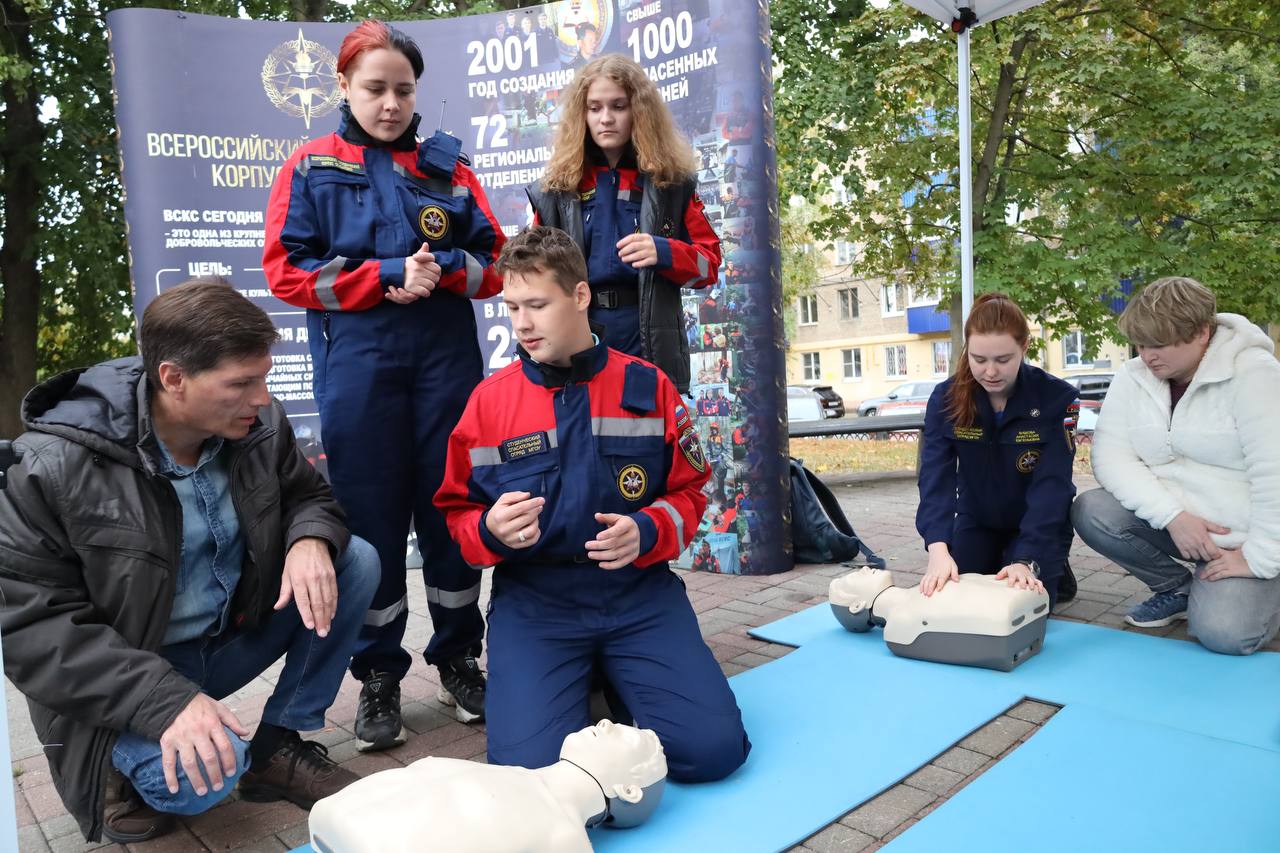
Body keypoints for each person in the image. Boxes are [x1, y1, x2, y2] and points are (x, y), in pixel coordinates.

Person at [0, 280, 379, 843]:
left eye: (265, 378)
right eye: (242, 383)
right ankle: (115, 767)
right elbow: (32, 629)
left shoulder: (258, 425)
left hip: (222, 641)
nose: (262, 397)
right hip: (125, 672)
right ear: (173, 378)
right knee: (202, 783)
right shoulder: (49, 468)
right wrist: (165, 700)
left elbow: (310, 499)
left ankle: (278, 746)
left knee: (356, 562)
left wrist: (309, 541)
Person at [263, 20, 506, 748]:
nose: (391, 103)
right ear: (343, 86)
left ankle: (461, 655)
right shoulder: (310, 165)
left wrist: (443, 273)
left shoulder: (449, 168)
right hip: (359, 370)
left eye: (403, 89)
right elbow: (285, 270)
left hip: (446, 367)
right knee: (369, 525)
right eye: (375, 88)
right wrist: (383, 277)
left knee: (453, 511)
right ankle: (378, 676)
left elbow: (494, 261)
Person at [435, 226, 750, 782]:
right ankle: (596, 685)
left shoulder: (649, 387)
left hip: (638, 598)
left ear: (580, 297)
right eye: (512, 307)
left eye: (537, 304)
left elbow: (691, 491)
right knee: (530, 776)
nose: (522, 324)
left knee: (712, 753)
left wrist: (648, 530)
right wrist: (488, 529)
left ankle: (612, 682)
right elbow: (454, 511)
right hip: (538, 606)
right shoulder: (489, 404)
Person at [1072, 277, 1280, 654]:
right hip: (1181, 525)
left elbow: (1275, 474)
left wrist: (1260, 558)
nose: (1147, 355)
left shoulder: (1255, 373)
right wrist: (1172, 516)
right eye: (1140, 343)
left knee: (1224, 634)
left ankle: (1261, 586)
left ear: (1202, 332)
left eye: (1160, 344)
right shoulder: (1133, 376)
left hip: (1246, 537)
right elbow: (1110, 457)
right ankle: (1179, 589)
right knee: (1092, 510)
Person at [527, 53, 721, 395]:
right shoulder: (555, 191)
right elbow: (532, 275)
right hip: (577, 338)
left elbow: (709, 267)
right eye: (595, 107)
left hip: (646, 339)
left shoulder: (672, 185)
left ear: (639, 111)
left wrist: (664, 251)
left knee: (643, 441)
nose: (606, 118)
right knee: (583, 442)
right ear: (581, 114)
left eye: (618, 106)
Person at [916, 293, 1079, 608]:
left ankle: (1050, 562)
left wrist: (1028, 558)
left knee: (1020, 606)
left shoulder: (1059, 400)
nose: (990, 371)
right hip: (977, 519)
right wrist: (937, 549)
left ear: (1024, 348)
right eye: (979, 359)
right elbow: (935, 477)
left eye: (1003, 360)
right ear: (967, 350)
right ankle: (1011, 557)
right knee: (953, 599)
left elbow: (1053, 485)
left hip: (1036, 521)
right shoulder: (945, 398)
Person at [308, 720, 667, 852]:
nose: (605, 722)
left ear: (629, 789)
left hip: (347, 830)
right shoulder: (516, 775)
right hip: (342, 816)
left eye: (625, 736)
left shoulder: (566, 837)